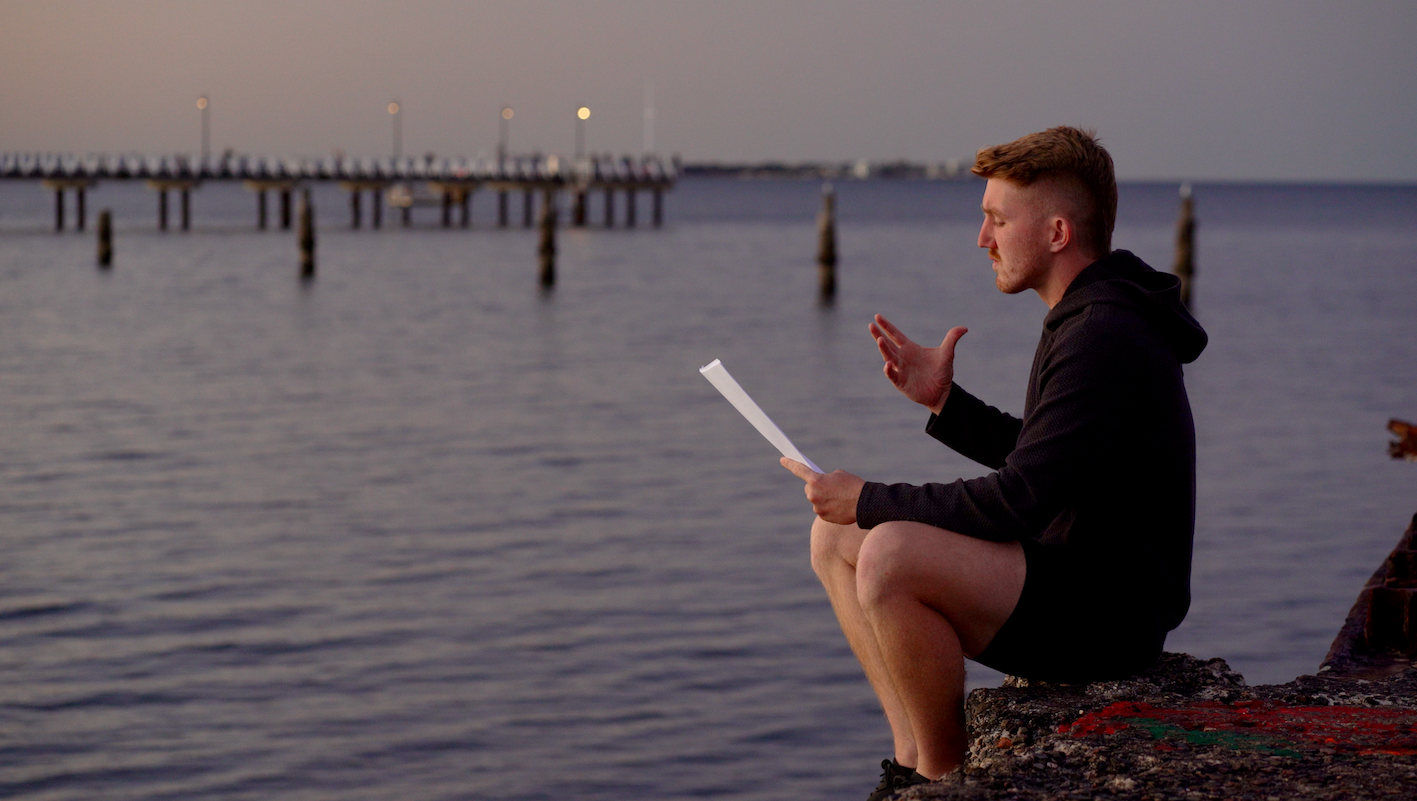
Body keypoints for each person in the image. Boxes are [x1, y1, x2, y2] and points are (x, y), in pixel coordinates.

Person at [780, 126, 1207, 799]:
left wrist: (869, 497)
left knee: (888, 554)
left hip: (1111, 612)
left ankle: (944, 782)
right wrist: (946, 401)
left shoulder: (1101, 331)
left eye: (997, 220)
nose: (983, 240)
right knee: (832, 538)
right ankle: (909, 758)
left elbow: (1019, 498)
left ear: (1057, 232)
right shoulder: (1091, 315)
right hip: (1074, 576)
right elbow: (1050, 458)